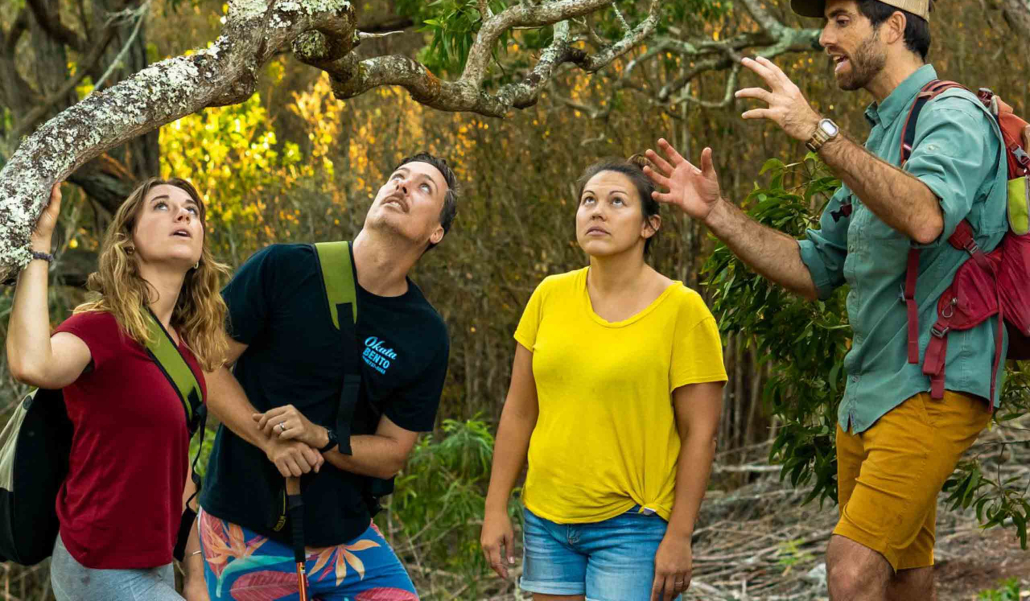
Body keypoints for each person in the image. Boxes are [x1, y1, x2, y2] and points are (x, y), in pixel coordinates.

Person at [644, 0, 1010, 601]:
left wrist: (816, 130)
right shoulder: (876, 142)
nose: (824, 38)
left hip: (934, 382)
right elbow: (815, 269)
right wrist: (716, 212)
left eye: (841, 20)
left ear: (893, 26)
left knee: (850, 568)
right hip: (868, 394)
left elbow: (925, 215)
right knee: (901, 574)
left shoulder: (951, 114)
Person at [188, 152, 456, 601]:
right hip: (244, 531)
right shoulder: (284, 269)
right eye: (398, 176)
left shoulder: (424, 334)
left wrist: (320, 437)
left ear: (436, 232)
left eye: (424, 187)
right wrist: (268, 439)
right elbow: (202, 362)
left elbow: (392, 453)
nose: (403, 186)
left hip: (345, 542)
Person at [480, 157, 726, 601]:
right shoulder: (548, 296)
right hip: (545, 520)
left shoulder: (683, 312)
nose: (597, 211)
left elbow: (700, 434)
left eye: (617, 202)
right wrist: (496, 507)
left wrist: (680, 535)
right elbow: (519, 411)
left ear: (649, 226)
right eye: (588, 200)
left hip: (633, 527)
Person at [6, 178, 230, 601]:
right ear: (128, 240)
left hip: (160, 565)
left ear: (200, 249)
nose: (183, 214)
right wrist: (39, 247)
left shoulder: (185, 354)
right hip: (96, 565)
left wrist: (197, 568)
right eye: (161, 206)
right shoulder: (100, 328)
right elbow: (31, 363)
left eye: (192, 211)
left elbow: (177, 473)